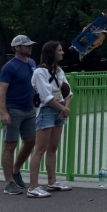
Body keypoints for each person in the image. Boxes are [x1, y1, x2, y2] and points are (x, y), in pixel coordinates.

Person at [26, 41, 73, 198]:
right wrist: (63, 109)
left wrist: (65, 108)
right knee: (40, 148)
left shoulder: (58, 70)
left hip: (59, 109)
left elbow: (67, 91)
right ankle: (33, 186)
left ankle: (52, 181)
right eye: (59, 50)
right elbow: (46, 96)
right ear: (51, 52)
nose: (62, 52)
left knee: (53, 147)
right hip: (47, 110)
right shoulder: (40, 72)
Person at [0, 35, 38, 195]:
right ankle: (9, 182)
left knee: (30, 141)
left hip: (29, 109)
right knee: (10, 145)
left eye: (30, 45)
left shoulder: (32, 63)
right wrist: (3, 112)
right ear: (17, 47)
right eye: (26, 45)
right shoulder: (9, 67)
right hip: (13, 109)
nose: (30, 47)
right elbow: (1, 90)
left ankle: (15, 171)